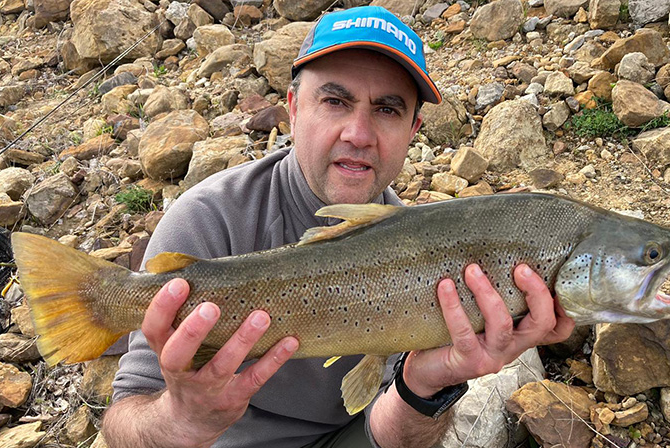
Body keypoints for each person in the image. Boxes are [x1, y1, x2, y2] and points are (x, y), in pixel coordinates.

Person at [101, 6, 575, 448]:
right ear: (292, 107)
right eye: (335, 101)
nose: (359, 134)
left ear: (413, 129)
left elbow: (386, 433)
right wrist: (181, 419)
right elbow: (125, 417)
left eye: (387, 109)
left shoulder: (425, 248)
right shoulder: (209, 217)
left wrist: (425, 386)